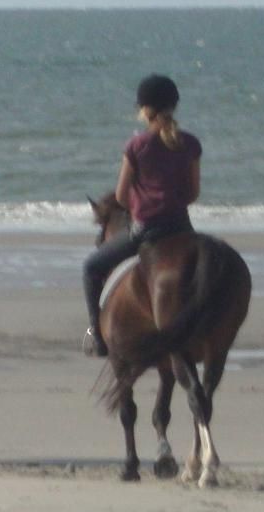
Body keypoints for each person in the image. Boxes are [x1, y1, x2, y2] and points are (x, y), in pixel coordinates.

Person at [82, 74, 202, 358]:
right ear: (174, 106)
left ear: (144, 110)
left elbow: (122, 197)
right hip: (183, 229)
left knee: (91, 268)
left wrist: (143, 205)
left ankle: (97, 336)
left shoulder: (136, 146)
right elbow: (193, 194)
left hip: (147, 230)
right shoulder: (191, 143)